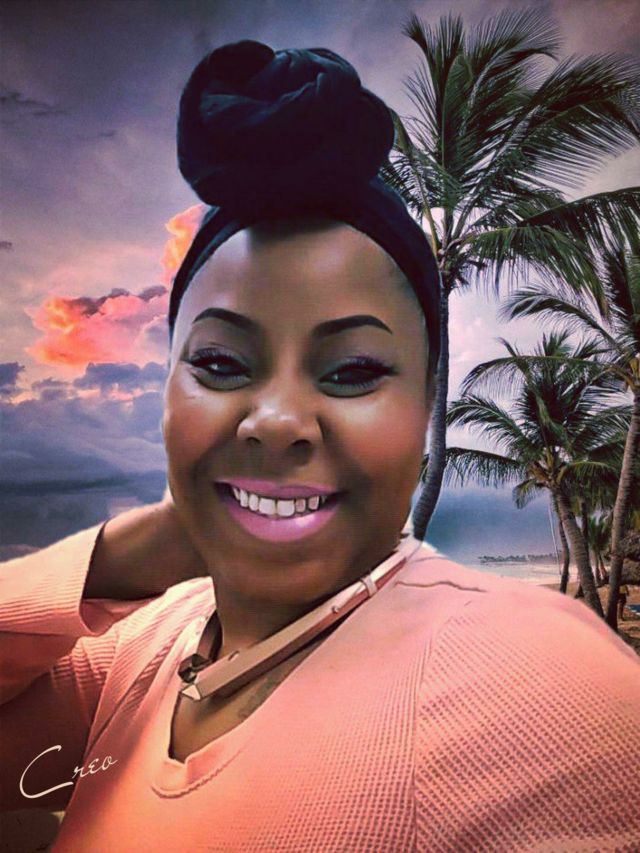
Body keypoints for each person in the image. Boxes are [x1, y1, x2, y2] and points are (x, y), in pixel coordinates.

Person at [1, 40, 640, 853]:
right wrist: (133, 553)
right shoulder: (153, 644)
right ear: (166, 393)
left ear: (425, 408)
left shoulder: (533, 685)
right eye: (221, 363)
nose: (276, 421)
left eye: (354, 370)